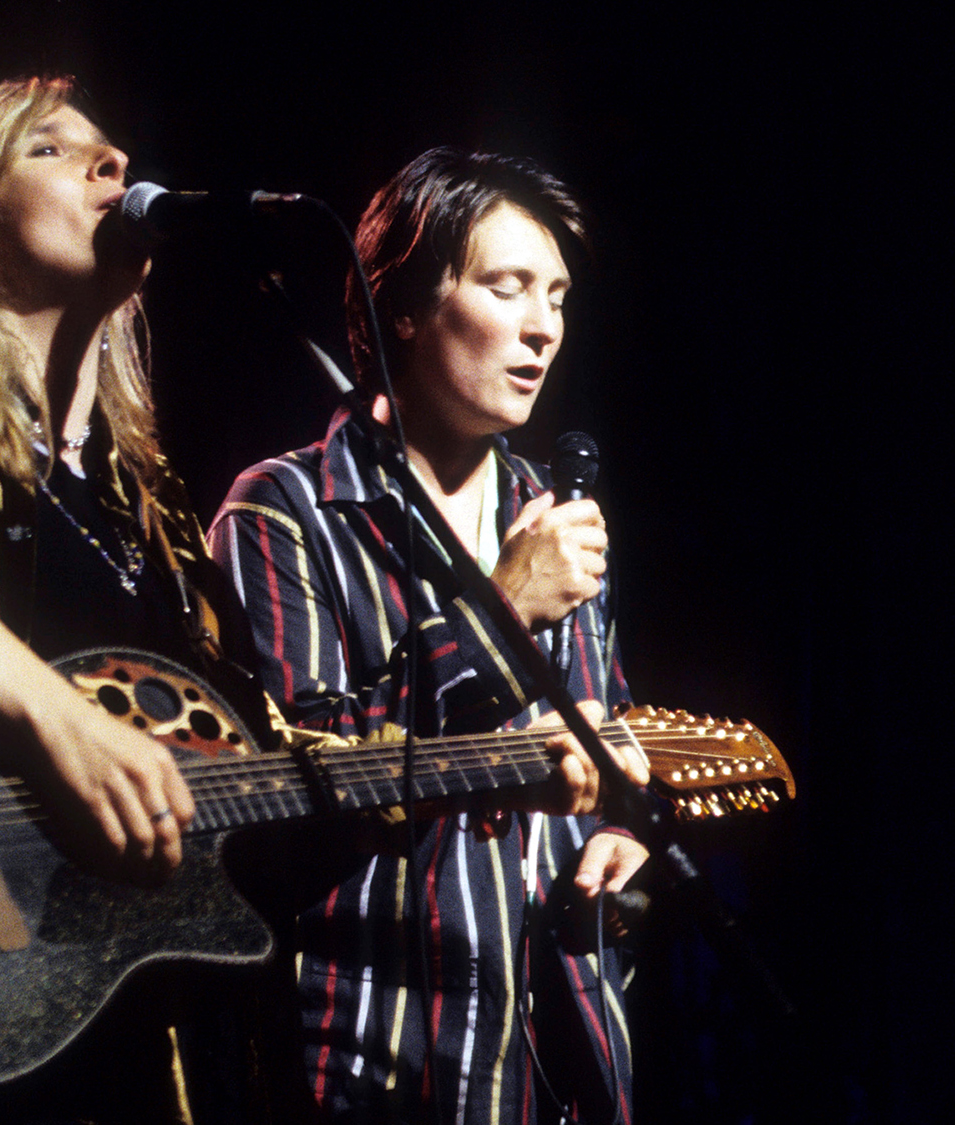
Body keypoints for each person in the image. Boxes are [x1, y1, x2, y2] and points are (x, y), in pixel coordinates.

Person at [0, 83, 624, 1124]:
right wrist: (58, 722)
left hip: (116, 1014)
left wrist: (511, 778)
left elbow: (259, 762)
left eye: (109, 144)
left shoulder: (142, 495)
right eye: (50, 147)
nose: (111, 160)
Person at [209, 148, 648, 1124]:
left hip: (549, 1065)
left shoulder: (551, 515)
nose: (542, 328)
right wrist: (501, 610)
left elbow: (601, 730)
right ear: (399, 308)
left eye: (558, 297)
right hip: (367, 1060)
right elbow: (295, 791)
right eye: (505, 288)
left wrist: (616, 829)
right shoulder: (282, 512)